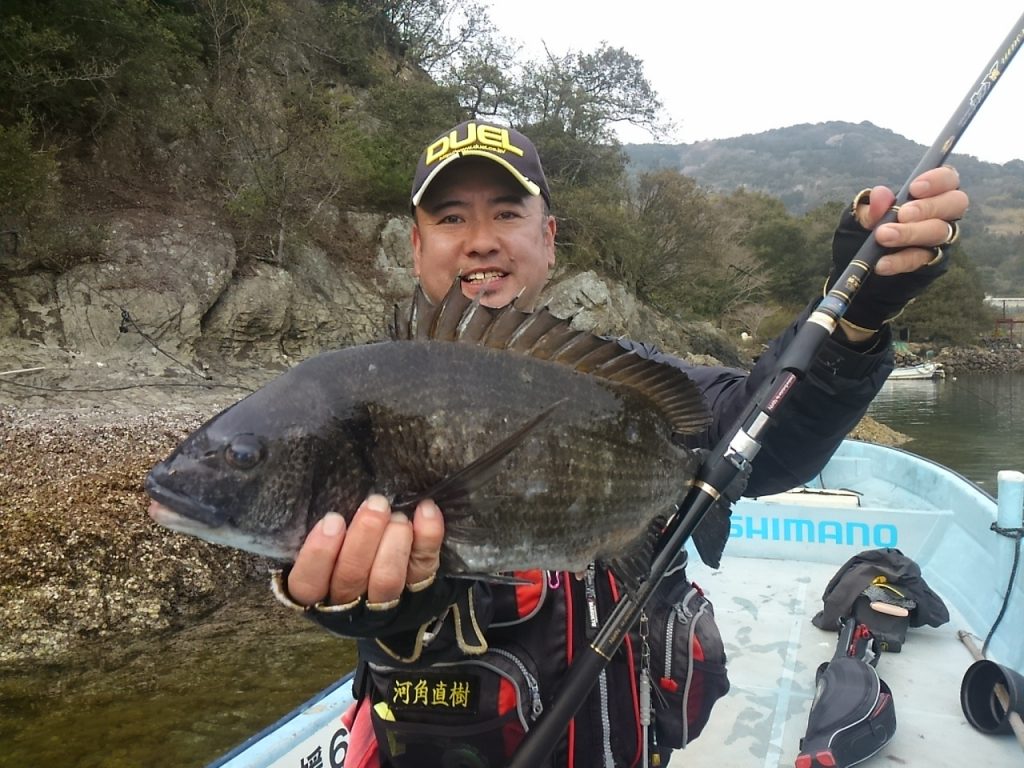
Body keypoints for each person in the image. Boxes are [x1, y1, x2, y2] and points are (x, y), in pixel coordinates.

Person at [272, 119, 969, 767]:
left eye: (507, 214)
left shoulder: (629, 384)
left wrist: (852, 315)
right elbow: (287, 526)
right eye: (451, 217)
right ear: (417, 245)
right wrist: (366, 603)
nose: (480, 240)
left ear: (548, 238)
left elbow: (765, 430)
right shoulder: (366, 398)